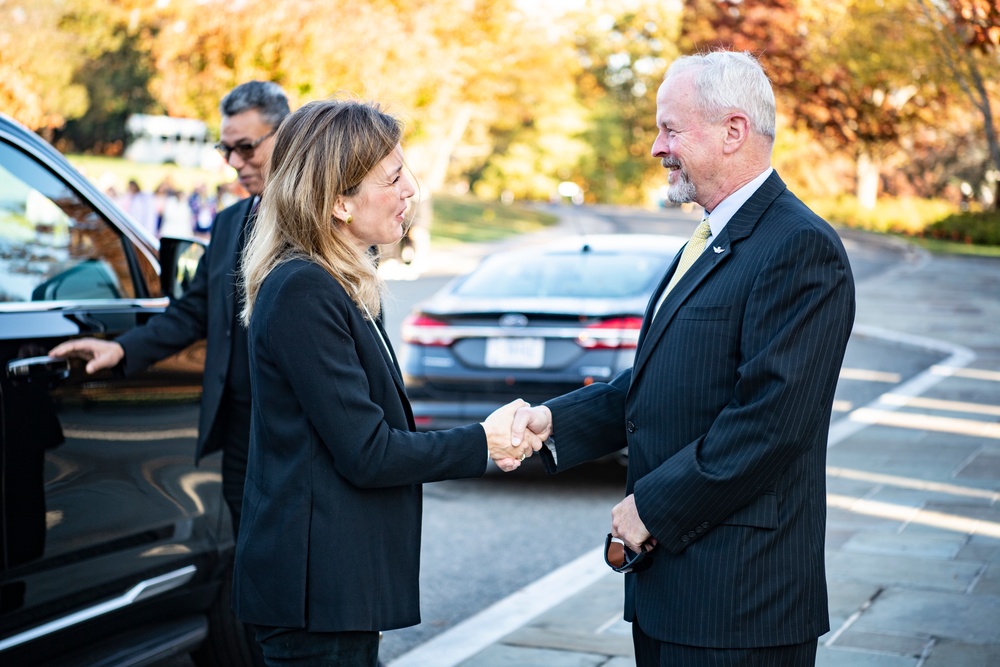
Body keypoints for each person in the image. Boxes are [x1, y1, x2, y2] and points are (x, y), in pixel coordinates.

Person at [511, 50, 856, 666]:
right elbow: (659, 383)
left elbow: (771, 423)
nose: (655, 147)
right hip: (676, 592)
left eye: (669, 128)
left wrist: (653, 507)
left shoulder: (800, 248)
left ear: (733, 131)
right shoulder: (708, 237)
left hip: (740, 603)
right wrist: (555, 424)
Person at [232, 98, 539, 666]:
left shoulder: (337, 282)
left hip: (337, 592)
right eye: (393, 178)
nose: (411, 191)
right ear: (338, 201)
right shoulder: (304, 289)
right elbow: (367, 452)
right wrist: (484, 441)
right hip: (315, 598)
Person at [49, 80, 291, 537]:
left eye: (246, 148)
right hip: (240, 433)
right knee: (250, 563)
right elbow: (194, 310)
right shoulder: (228, 223)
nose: (235, 163)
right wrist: (121, 350)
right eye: (226, 149)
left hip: (299, 432)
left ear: (287, 135)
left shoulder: (322, 222)